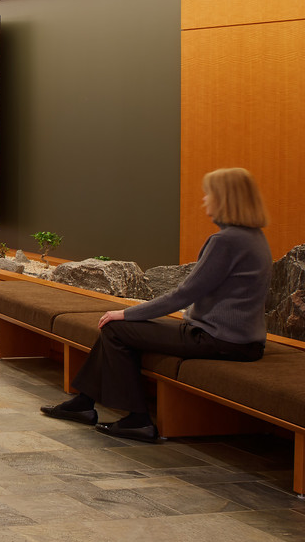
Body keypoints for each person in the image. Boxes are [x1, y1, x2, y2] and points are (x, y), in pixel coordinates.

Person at [41, 167, 273, 443]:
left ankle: (137, 420)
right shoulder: (254, 237)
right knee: (117, 326)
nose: (204, 201)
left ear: (225, 199)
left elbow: (183, 294)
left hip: (218, 339)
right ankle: (82, 404)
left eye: (208, 194)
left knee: (116, 328)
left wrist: (125, 312)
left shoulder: (226, 241)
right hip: (243, 341)